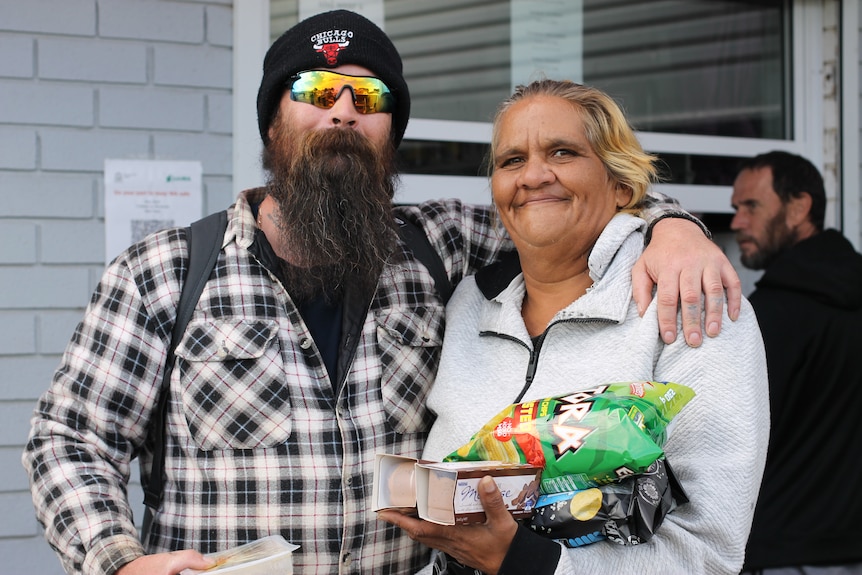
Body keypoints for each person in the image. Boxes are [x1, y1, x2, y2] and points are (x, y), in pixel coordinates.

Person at [22, 10, 741, 575]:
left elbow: (563, 203)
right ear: (274, 121)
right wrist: (118, 559)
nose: (342, 111)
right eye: (314, 91)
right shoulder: (164, 272)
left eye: (367, 96)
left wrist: (673, 227)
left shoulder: (444, 245)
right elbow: (69, 439)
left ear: (390, 131)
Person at [379, 79, 769, 575]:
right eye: (511, 160)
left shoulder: (690, 298)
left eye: (563, 153)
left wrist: (526, 562)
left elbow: (710, 552)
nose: (534, 175)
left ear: (621, 184)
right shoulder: (468, 305)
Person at [730, 151, 862, 574]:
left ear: (800, 206)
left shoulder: (774, 313)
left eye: (751, 206)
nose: (736, 223)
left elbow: (733, 442)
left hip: (784, 551)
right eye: (736, 209)